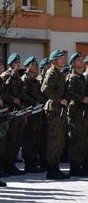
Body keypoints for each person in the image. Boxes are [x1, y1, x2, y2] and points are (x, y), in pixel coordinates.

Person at [41, 49, 69, 179]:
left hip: (59, 110)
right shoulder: (51, 72)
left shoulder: (58, 73)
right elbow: (45, 88)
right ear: (54, 60)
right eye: (60, 58)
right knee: (54, 140)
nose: (63, 59)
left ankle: (55, 167)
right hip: (54, 109)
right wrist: (59, 99)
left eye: (63, 58)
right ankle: (52, 170)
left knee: (59, 140)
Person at [64, 52, 88, 177]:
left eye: (82, 59)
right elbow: (68, 93)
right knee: (76, 140)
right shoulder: (72, 77)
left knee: (84, 140)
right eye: (79, 60)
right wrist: (82, 98)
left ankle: (83, 164)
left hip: (84, 113)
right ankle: (75, 167)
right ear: (73, 63)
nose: (82, 62)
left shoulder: (82, 77)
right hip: (76, 112)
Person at [21, 56, 46, 173]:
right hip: (29, 112)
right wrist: (34, 102)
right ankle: (29, 163)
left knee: (35, 137)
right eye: (33, 64)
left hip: (37, 112)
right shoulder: (25, 80)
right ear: (27, 67)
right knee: (29, 138)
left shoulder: (35, 80)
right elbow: (23, 95)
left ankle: (33, 161)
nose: (36, 66)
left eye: (36, 64)